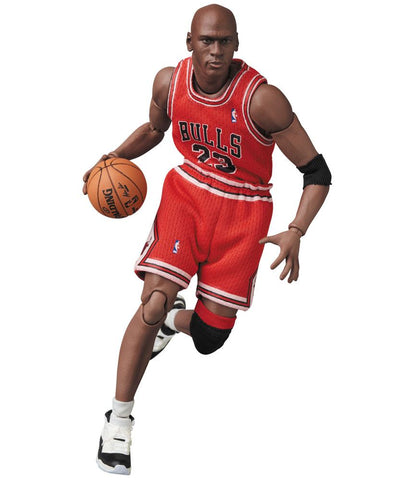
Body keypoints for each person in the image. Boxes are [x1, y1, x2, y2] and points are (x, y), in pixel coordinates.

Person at [83, 3, 331, 475]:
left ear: (237, 44)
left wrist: (297, 230)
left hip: (244, 212)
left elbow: (317, 171)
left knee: (209, 339)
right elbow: (155, 130)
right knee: (152, 300)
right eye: (206, 41)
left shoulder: (263, 100)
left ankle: (172, 322)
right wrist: (111, 157)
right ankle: (118, 421)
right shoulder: (169, 83)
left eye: (224, 41)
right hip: (188, 195)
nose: (215, 51)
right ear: (189, 42)